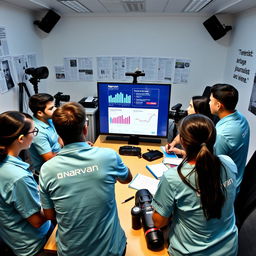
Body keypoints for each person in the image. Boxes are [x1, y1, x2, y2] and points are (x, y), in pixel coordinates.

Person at [39, 102, 133, 256]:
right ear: (85, 128)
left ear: (58, 134)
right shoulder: (108, 156)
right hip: (111, 249)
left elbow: (50, 216)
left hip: (71, 251)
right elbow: (127, 179)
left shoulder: (47, 170)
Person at [152, 114, 238, 256]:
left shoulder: (174, 177)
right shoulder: (228, 163)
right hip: (229, 250)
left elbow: (159, 223)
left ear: (184, 142)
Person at [0, 111, 51, 256]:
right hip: (34, 245)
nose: (35, 134)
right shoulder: (17, 177)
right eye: (34, 131)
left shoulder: (8, 164)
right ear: (21, 139)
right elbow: (37, 221)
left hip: (13, 238)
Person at [209, 83, 250, 188]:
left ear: (218, 105)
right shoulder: (242, 119)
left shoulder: (221, 134)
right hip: (237, 180)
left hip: (224, 189)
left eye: (210, 100)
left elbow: (212, 168)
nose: (208, 103)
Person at [29, 93, 62, 173]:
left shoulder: (49, 119)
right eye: (51, 108)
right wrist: (60, 143)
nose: (55, 109)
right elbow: (50, 159)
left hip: (59, 159)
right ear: (40, 113)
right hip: (48, 171)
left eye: (54, 106)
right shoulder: (37, 132)